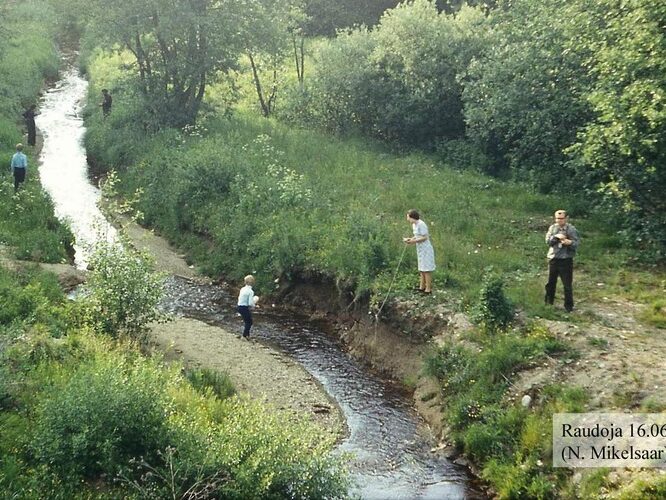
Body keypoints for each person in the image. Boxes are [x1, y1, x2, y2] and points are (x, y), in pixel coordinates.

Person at [545, 209, 580, 312]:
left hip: (566, 259)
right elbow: (548, 241)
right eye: (557, 218)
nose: (559, 221)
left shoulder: (571, 229)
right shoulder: (552, 228)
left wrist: (569, 242)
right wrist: (556, 237)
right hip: (554, 258)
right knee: (550, 283)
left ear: (566, 218)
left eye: (561, 218)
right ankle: (548, 303)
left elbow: (577, 243)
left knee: (567, 284)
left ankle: (569, 307)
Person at [403, 209, 436, 294]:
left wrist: (413, 242)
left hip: (426, 248)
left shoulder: (421, 224)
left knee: (426, 269)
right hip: (420, 248)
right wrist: (410, 239)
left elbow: (425, 237)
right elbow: (416, 235)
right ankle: (422, 287)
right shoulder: (414, 225)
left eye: (408, 217)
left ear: (412, 217)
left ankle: (428, 289)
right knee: (421, 268)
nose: (407, 219)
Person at [237, 274, 259, 339]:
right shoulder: (250, 291)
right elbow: (250, 303)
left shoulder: (242, 289)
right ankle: (244, 335)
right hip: (244, 307)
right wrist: (255, 304)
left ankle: (247, 335)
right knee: (249, 322)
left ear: (245, 282)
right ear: (253, 283)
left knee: (247, 321)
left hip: (239, 306)